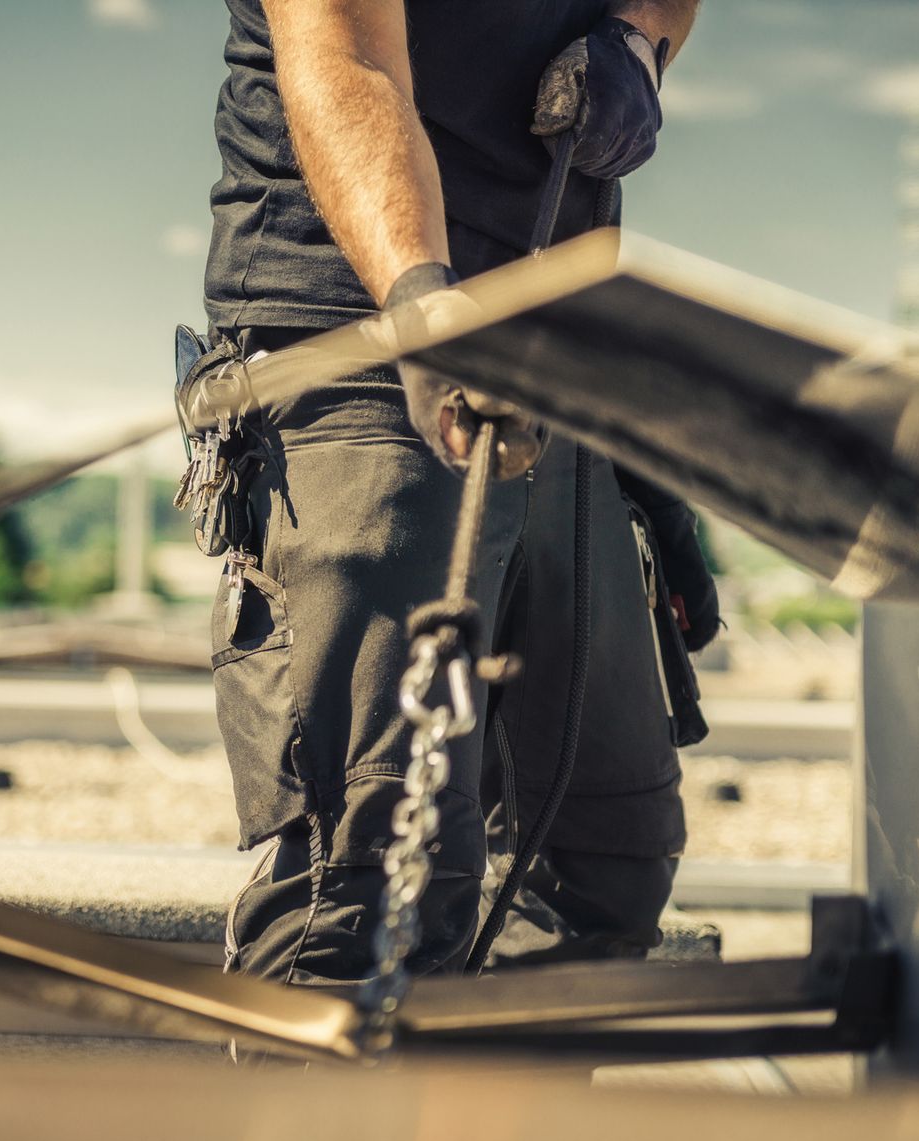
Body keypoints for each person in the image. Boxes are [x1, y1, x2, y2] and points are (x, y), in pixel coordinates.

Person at [196, 0, 720, 989]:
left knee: (598, 872)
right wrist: (423, 308)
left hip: (554, 348)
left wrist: (641, 45)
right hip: (359, 328)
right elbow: (349, 60)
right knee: (366, 880)